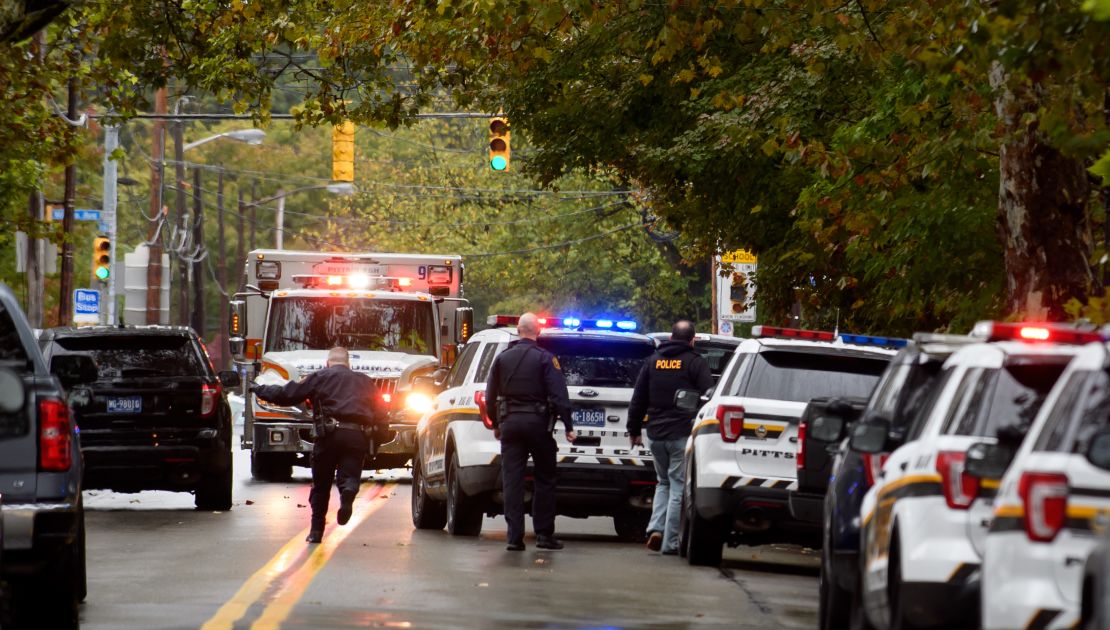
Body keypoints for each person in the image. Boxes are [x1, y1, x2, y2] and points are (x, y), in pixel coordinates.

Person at [251, 347, 386, 543]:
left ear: (327, 363)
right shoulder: (365, 381)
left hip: (328, 436)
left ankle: (316, 532)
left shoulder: (320, 376)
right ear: (348, 364)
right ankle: (348, 491)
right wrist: (376, 440)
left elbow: (287, 394)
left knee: (321, 485)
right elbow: (382, 413)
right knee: (349, 475)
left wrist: (260, 389)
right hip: (356, 435)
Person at [486, 312, 576, 551]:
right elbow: (559, 394)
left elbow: (490, 394)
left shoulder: (502, 358)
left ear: (518, 330)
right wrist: (568, 426)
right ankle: (544, 535)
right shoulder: (545, 359)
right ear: (538, 332)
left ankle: (514, 538)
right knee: (545, 478)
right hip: (538, 425)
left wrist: (496, 424)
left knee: (512, 480)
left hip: (510, 425)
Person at [627, 320, 713, 555]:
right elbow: (710, 396)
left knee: (662, 482)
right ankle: (669, 542)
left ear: (672, 338)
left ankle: (655, 528)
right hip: (681, 435)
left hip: (655, 434)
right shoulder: (695, 363)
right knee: (676, 485)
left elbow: (638, 399)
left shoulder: (653, 361)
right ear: (692, 339)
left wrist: (634, 430)